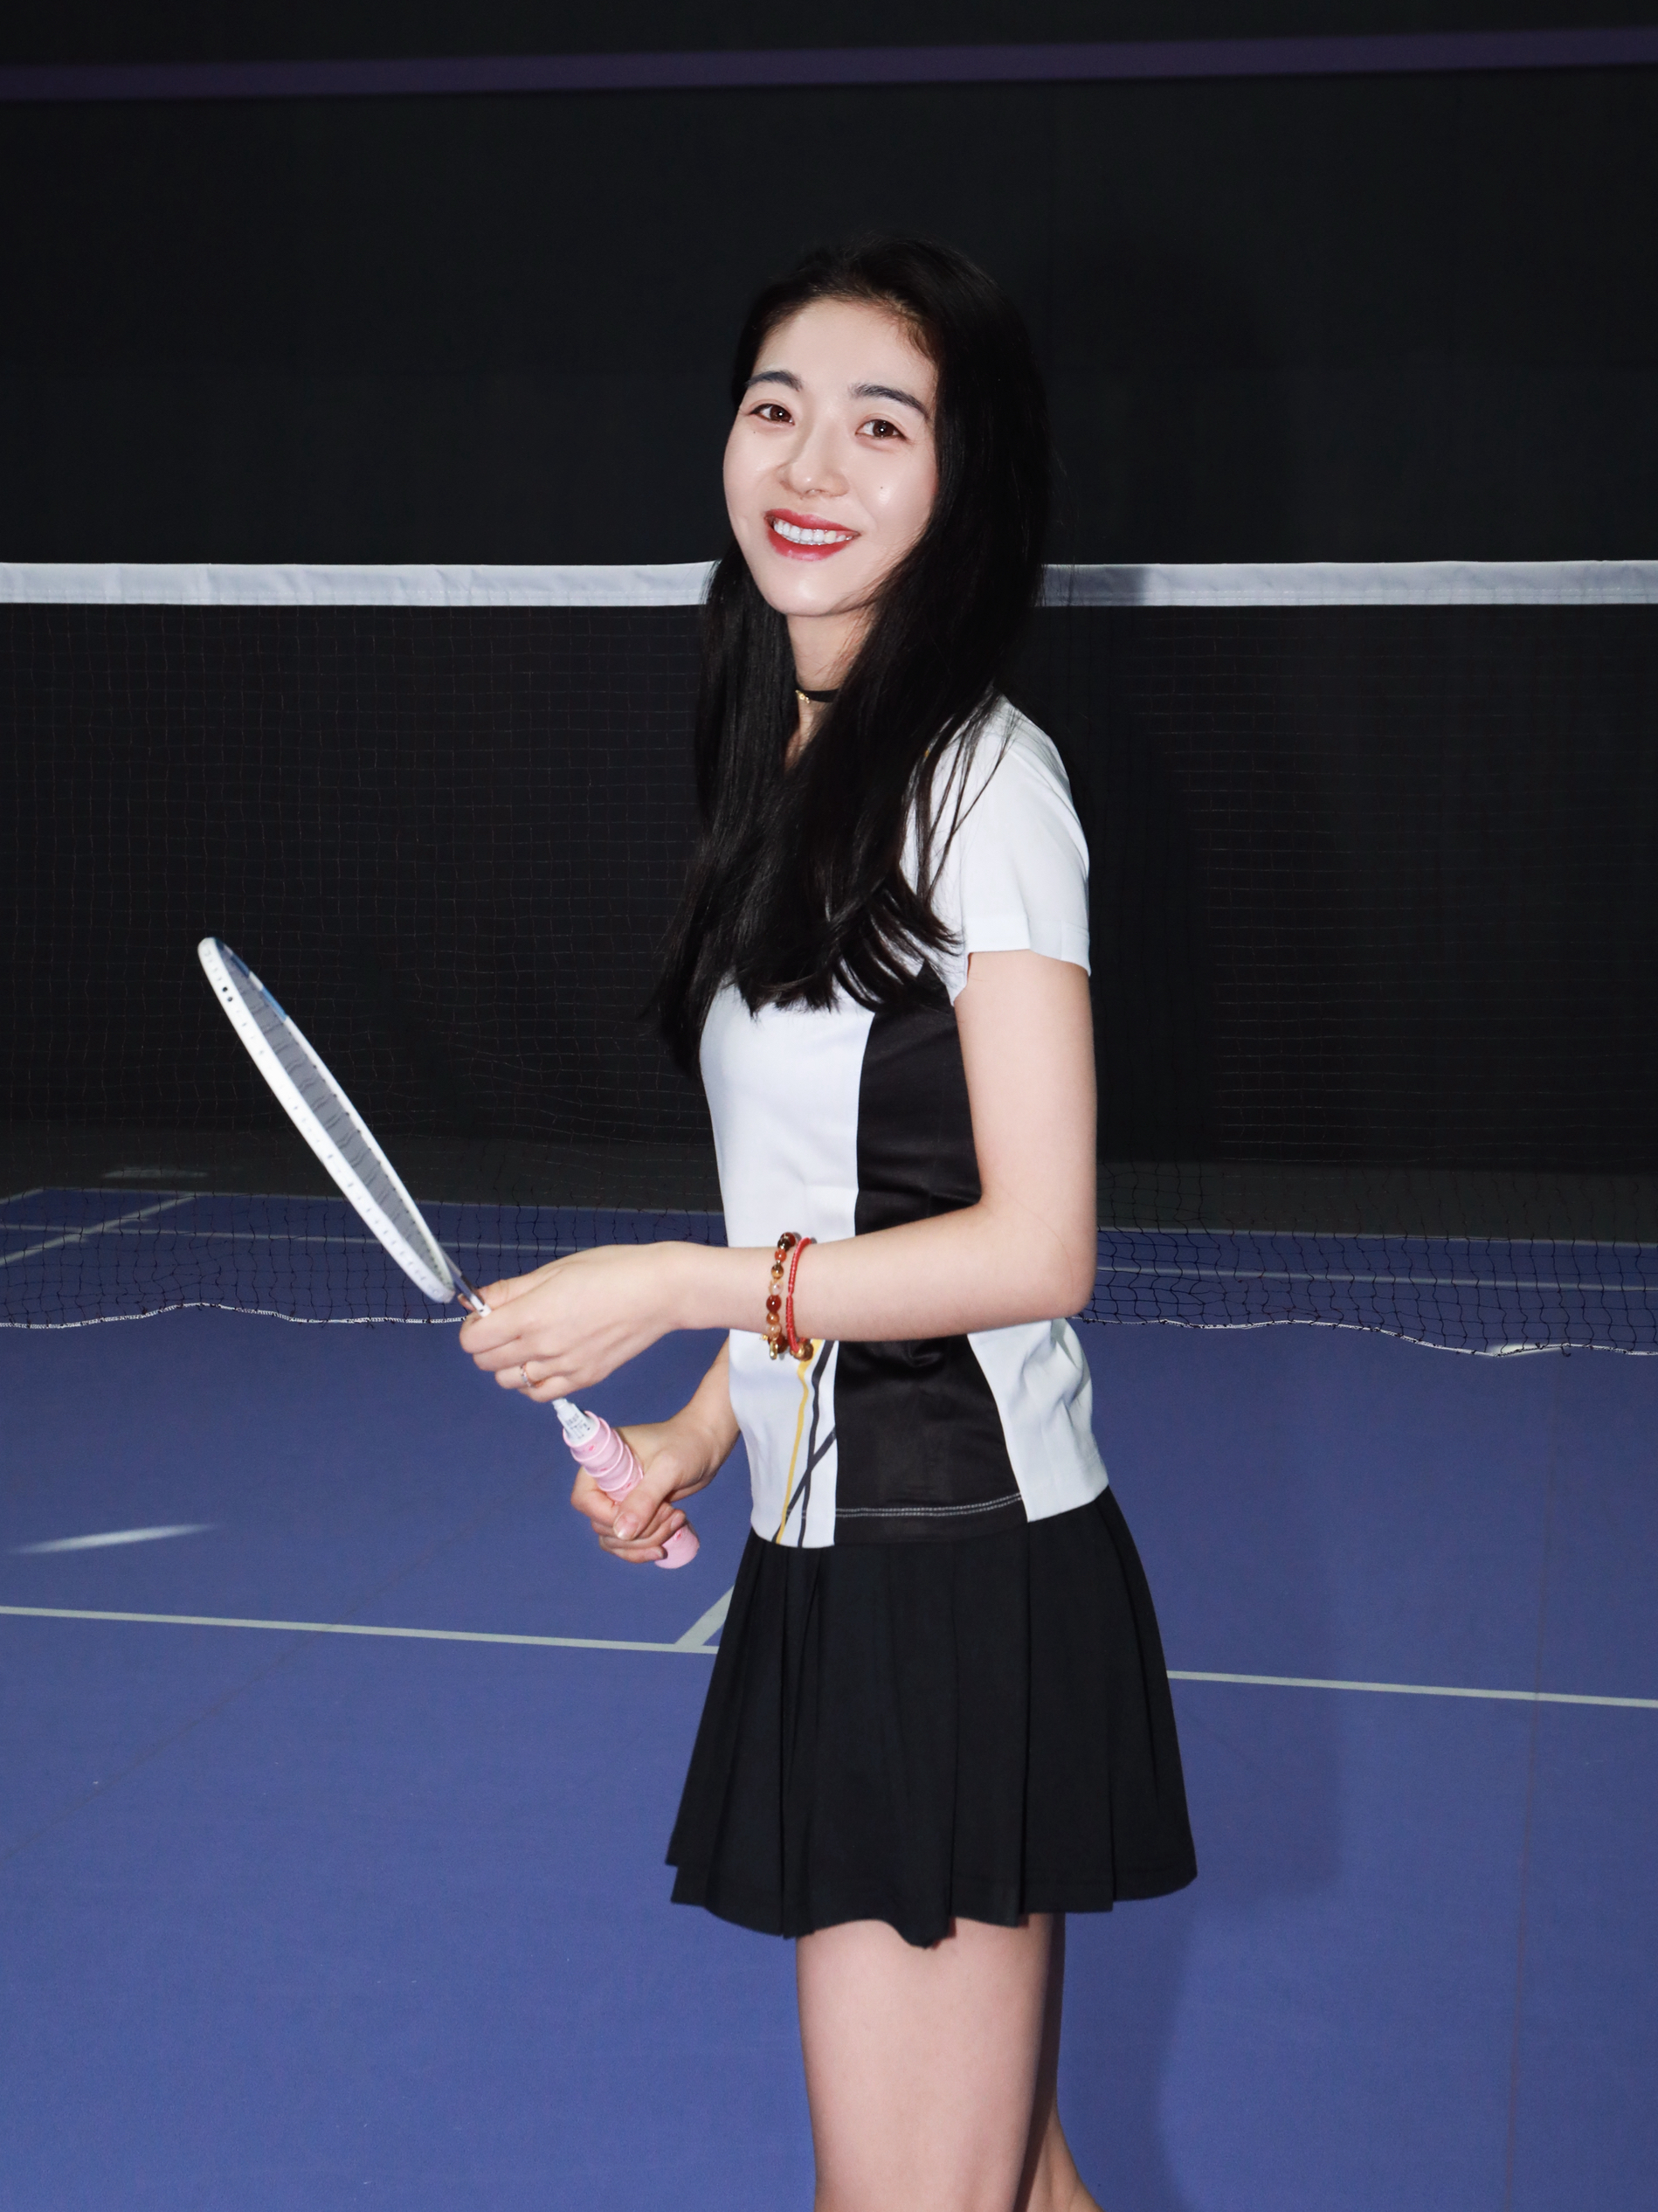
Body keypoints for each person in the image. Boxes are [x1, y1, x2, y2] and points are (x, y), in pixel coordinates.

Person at [460, 235, 1195, 2212]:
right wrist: (704, 1424)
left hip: (949, 1572)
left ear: (965, 481)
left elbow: (1037, 1245)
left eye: (882, 425)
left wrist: (676, 1284)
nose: (808, 462)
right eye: (775, 406)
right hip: (834, 1545)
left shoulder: (983, 784)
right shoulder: (785, 758)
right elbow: (842, 1200)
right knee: (1006, 2187)